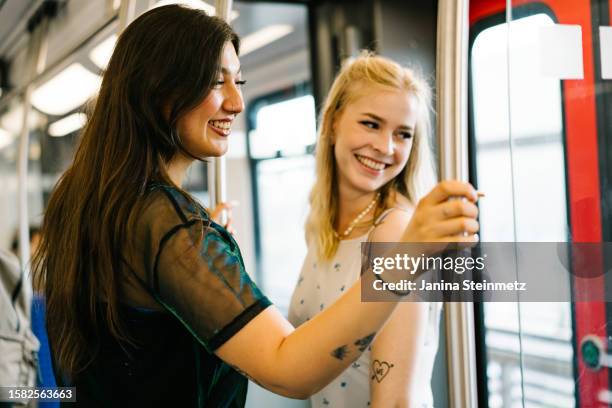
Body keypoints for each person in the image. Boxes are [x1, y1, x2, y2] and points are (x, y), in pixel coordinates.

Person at [31, 5, 480, 407]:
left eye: (238, 81)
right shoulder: (167, 225)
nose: (237, 101)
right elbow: (287, 367)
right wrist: (187, 248)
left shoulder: (89, 198)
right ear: (158, 90)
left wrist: (191, 256)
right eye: (214, 81)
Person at [289, 53, 441, 407]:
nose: (386, 147)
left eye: (403, 134)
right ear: (332, 123)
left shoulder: (395, 233)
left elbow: (394, 402)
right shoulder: (321, 223)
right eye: (371, 124)